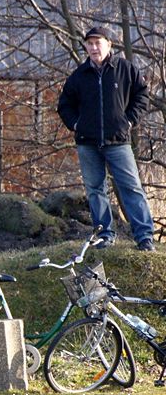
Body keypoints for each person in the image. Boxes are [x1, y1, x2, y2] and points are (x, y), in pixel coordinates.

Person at [57, 26, 155, 252]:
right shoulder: (78, 76)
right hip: (87, 143)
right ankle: (104, 235)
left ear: (109, 44)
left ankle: (144, 237)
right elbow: (64, 105)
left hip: (118, 141)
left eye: (97, 42)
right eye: (89, 43)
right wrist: (76, 125)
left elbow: (142, 96)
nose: (93, 47)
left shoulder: (126, 70)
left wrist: (129, 121)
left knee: (131, 187)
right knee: (94, 189)